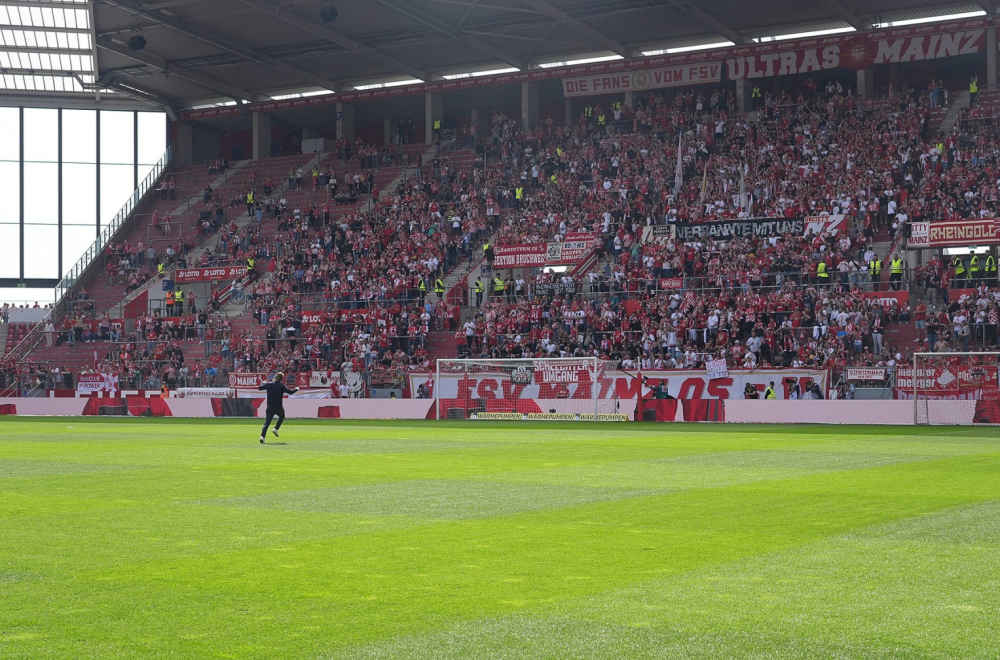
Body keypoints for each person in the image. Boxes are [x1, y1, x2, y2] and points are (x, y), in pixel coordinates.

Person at [258, 372, 299, 443]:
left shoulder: (269, 384)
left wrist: (263, 383)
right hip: (278, 407)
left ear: (275, 376)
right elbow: (290, 392)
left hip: (269, 406)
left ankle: (262, 436)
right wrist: (296, 389)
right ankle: (276, 428)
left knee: (266, 423)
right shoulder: (281, 386)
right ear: (282, 378)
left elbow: (260, 388)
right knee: (282, 416)